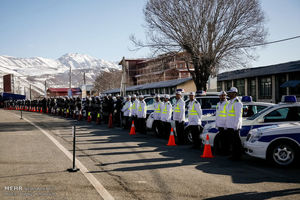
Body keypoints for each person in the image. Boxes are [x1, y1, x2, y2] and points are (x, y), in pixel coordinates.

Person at [225, 87, 243, 160]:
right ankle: (234, 155)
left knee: (236, 142)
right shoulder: (230, 102)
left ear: (235, 93)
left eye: (230, 93)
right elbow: (228, 115)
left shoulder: (237, 103)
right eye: (228, 92)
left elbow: (238, 116)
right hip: (230, 125)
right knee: (232, 142)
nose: (228, 94)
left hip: (234, 126)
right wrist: (226, 124)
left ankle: (238, 156)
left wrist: (236, 126)